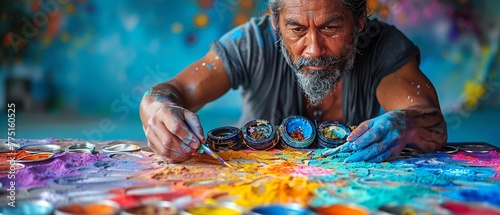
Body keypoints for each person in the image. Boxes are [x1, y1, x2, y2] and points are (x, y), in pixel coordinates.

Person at [139, 0, 448, 163]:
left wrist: (406, 124)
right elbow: (169, 92)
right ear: (276, 25)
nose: (313, 49)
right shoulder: (251, 43)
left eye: (330, 28)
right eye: (297, 29)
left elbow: (429, 118)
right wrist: (158, 111)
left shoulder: (385, 46)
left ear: (358, 24)